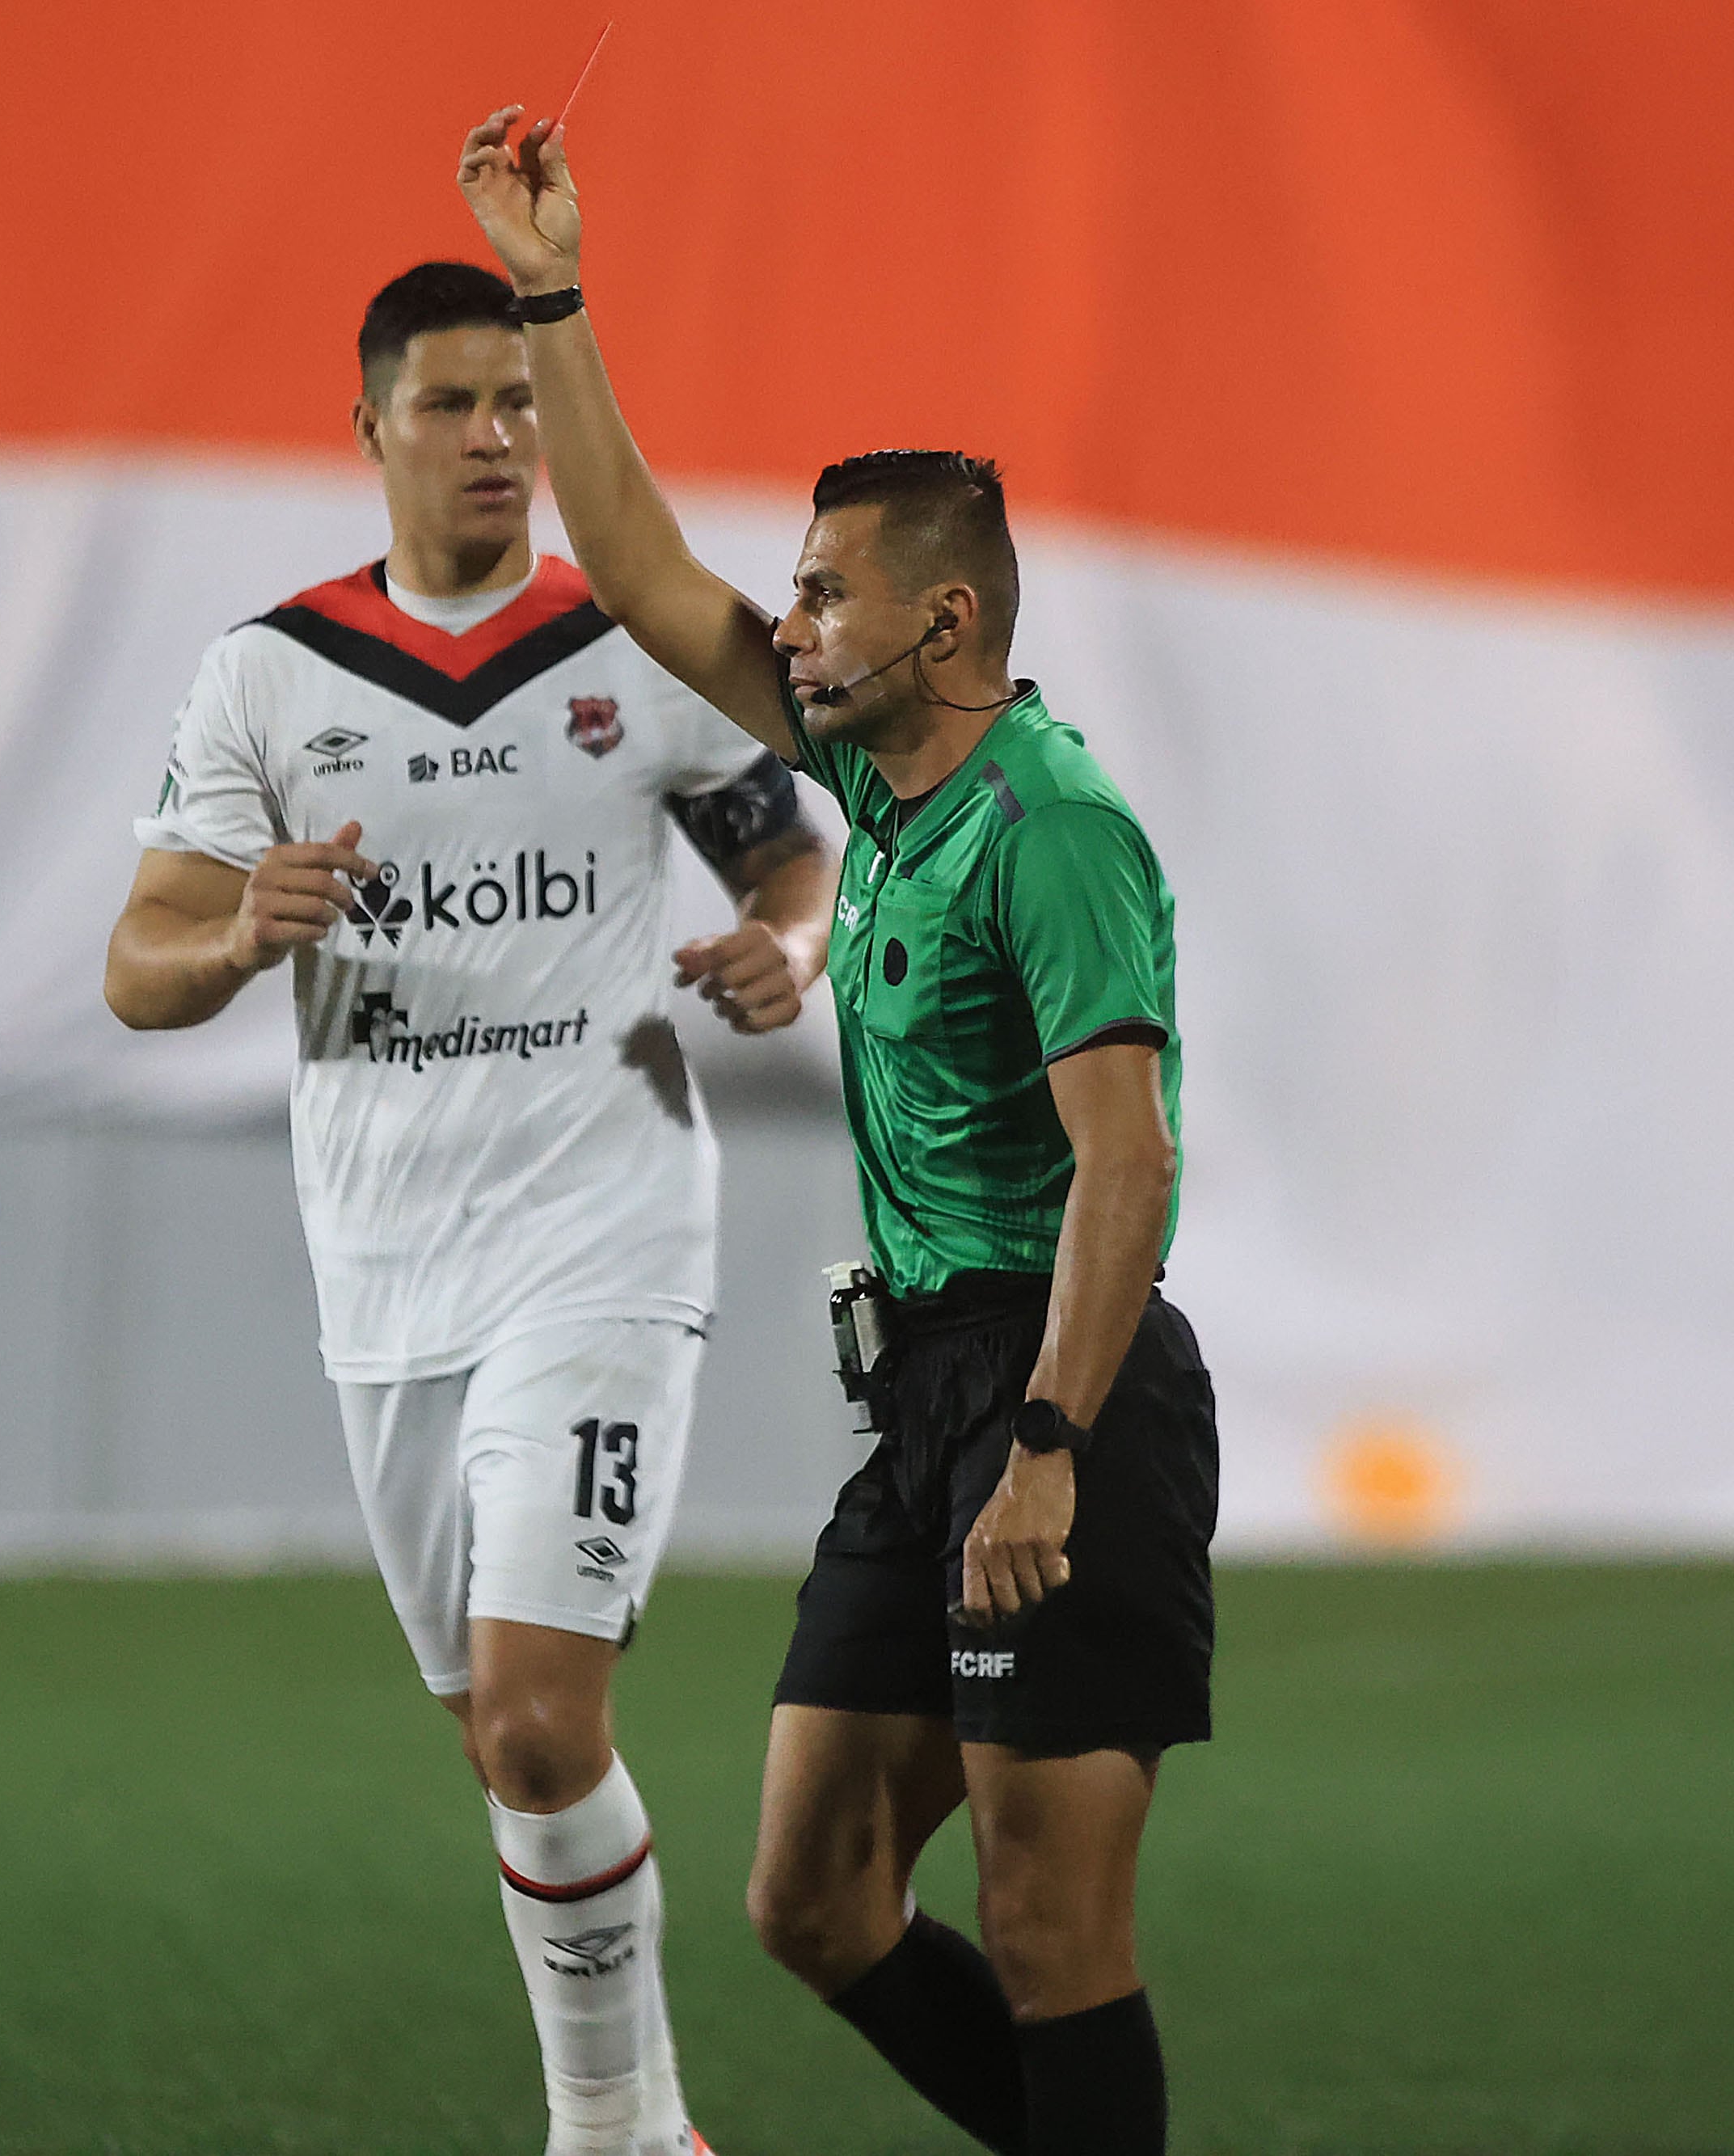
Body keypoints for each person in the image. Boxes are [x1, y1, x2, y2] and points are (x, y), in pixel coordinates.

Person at [456, 108, 1217, 2156]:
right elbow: (631, 566)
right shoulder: (882, 780)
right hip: (932, 1401)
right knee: (809, 1893)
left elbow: (1124, 1164)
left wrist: (1047, 1440)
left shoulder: (1047, 826)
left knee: (1053, 1925)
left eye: (819, 596)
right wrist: (548, 291)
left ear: (941, 624)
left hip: (1065, 1391)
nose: (783, 627)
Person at [103, 260, 834, 2156]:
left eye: (518, 400)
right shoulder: (267, 674)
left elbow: (793, 855)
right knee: (500, 1745)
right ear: (367, 431)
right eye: (452, 403)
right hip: (383, 1262)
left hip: (599, 1226)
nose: (497, 435)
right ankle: (647, 2127)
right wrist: (239, 931)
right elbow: (136, 961)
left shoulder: (621, 647)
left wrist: (786, 949)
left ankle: (604, 2134)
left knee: (530, 1712)